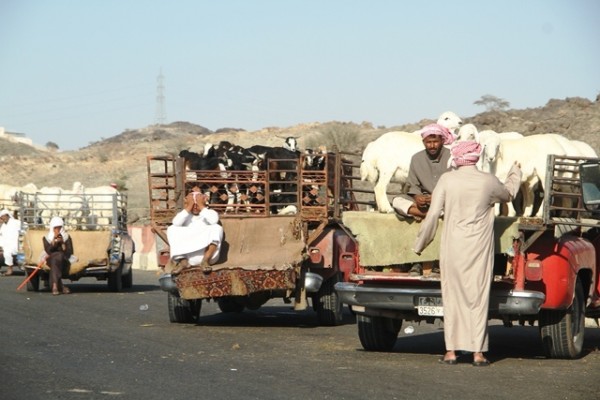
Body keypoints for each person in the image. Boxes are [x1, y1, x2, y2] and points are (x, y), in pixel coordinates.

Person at [412, 140, 522, 367]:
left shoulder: (447, 180)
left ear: (457, 158)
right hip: (479, 248)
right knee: (477, 298)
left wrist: (420, 244)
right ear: (476, 157)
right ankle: (478, 353)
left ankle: (451, 352)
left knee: (452, 298)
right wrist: (515, 172)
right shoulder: (488, 181)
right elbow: (509, 194)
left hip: (452, 246)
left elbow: (432, 215)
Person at [392, 123, 454, 276]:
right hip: (424, 203)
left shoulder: (452, 157)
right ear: (423, 142)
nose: (432, 145)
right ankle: (427, 214)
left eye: (435, 141)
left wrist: (439, 196)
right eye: (428, 142)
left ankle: (428, 214)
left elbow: (456, 184)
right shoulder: (416, 158)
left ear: (442, 140)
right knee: (397, 201)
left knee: (454, 207)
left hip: (446, 201)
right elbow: (412, 184)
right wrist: (417, 197)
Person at [167, 187, 224, 274]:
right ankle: (183, 262)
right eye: (193, 204)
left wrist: (201, 205)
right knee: (172, 229)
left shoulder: (210, 213)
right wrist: (189, 206)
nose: (195, 207)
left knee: (217, 228)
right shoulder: (185, 215)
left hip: (205, 256)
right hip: (188, 255)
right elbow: (176, 222)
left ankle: (205, 261)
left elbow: (214, 220)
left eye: (197, 205)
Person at [42, 216, 74, 295]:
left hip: (63, 258)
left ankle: (55, 286)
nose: (58, 230)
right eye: (55, 228)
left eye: (59, 228)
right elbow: (48, 251)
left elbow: (69, 251)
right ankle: (60, 286)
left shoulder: (66, 237)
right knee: (55, 258)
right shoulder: (46, 238)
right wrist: (54, 243)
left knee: (58, 257)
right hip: (50, 258)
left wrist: (62, 243)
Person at [0, 209, 21, 276]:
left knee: (7, 252)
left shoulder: (15, 222)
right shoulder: (4, 226)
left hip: (14, 245)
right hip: (5, 245)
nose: (2, 218)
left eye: (3, 216)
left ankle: (10, 269)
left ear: (7, 216)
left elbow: (23, 227)